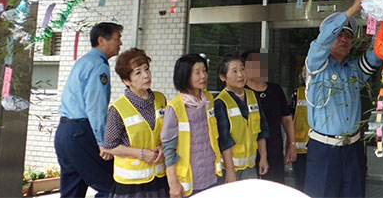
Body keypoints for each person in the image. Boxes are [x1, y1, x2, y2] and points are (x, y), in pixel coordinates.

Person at [304, 0, 383, 198]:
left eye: (348, 36)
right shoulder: (316, 65)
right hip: (324, 148)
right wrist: (353, 9)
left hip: (353, 147)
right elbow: (320, 44)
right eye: (339, 34)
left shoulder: (354, 70)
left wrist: (381, 15)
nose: (344, 39)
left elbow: (376, 54)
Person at [55, 22, 123, 198]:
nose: (120, 43)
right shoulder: (99, 66)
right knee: (113, 186)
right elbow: (95, 107)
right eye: (117, 38)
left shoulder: (84, 61)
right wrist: (104, 142)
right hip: (82, 132)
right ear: (102, 40)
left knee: (72, 190)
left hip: (65, 132)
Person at [103, 48, 168, 197]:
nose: (146, 75)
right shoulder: (118, 108)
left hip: (159, 179)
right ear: (127, 80)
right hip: (131, 186)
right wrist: (140, 154)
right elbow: (110, 146)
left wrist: (164, 147)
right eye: (138, 72)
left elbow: (168, 131)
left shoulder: (160, 99)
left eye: (147, 69)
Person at [163, 54, 223, 197]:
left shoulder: (208, 99)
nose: (203, 76)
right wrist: (173, 183)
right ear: (185, 75)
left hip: (211, 175)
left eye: (204, 71)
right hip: (188, 179)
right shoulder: (175, 108)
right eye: (197, 72)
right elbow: (169, 150)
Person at [214, 54, 270, 182]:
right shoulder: (221, 102)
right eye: (234, 71)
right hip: (229, 168)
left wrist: (263, 157)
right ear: (223, 77)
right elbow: (224, 139)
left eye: (242, 69)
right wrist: (230, 170)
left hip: (250, 166)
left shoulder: (252, 96)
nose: (240, 75)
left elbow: (262, 130)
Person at [243, 50, 296, 184]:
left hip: (274, 148)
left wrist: (291, 144)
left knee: (274, 186)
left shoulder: (275, 89)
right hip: (248, 151)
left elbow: (287, 119)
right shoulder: (242, 92)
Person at [289, 65, 310, 191]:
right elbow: (289, 118)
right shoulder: (298, 93)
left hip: (318, 147)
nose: (304, 74)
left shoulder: (324, 92)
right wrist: (290, 145)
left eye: (307, 71)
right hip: (300, 148)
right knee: (300, 183)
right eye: (303, 71)